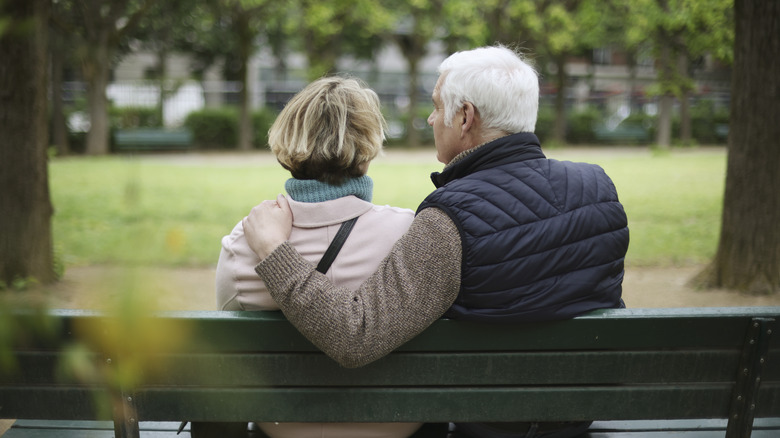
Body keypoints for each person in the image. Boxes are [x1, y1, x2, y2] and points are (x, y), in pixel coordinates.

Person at [242, 46, 630, 438]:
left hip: (490, 424)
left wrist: (275, 251)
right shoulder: (598, 187)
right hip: (579, 414)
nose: (430, 119)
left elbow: (355, 337)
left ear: (465, 116)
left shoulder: (449, 220)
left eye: (435, 106)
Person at [215, 76, 422, 438]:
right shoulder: (408, 233)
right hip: (393, 424)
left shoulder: (242, 244)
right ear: (368, 145)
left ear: (288, 141)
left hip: (282, 426)